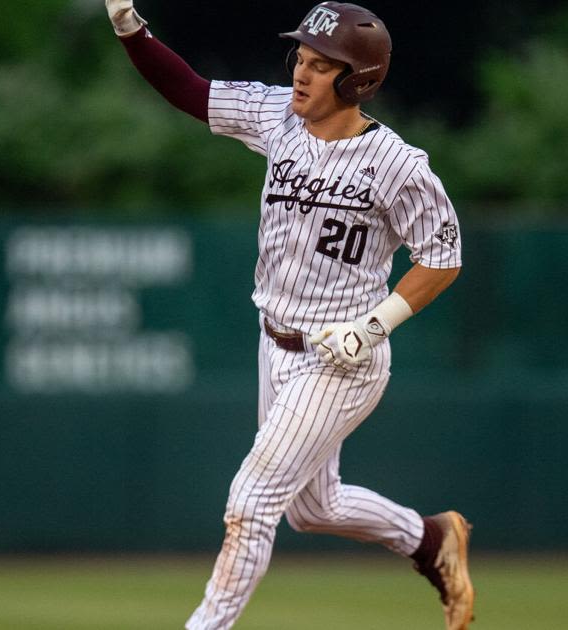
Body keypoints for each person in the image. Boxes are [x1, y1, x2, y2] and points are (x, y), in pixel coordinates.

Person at [103, 2, 474, 628]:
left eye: (321, 65)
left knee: (251, 501)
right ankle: (431, 541)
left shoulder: (397, 165)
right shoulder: (279, 118)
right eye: (299, 58)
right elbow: (188, 90)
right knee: (312, 508)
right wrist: (127, 24)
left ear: (357, 81)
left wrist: (375, 324)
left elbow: (443, 256)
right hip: (275, 342)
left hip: (343, 357)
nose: (301, 74)